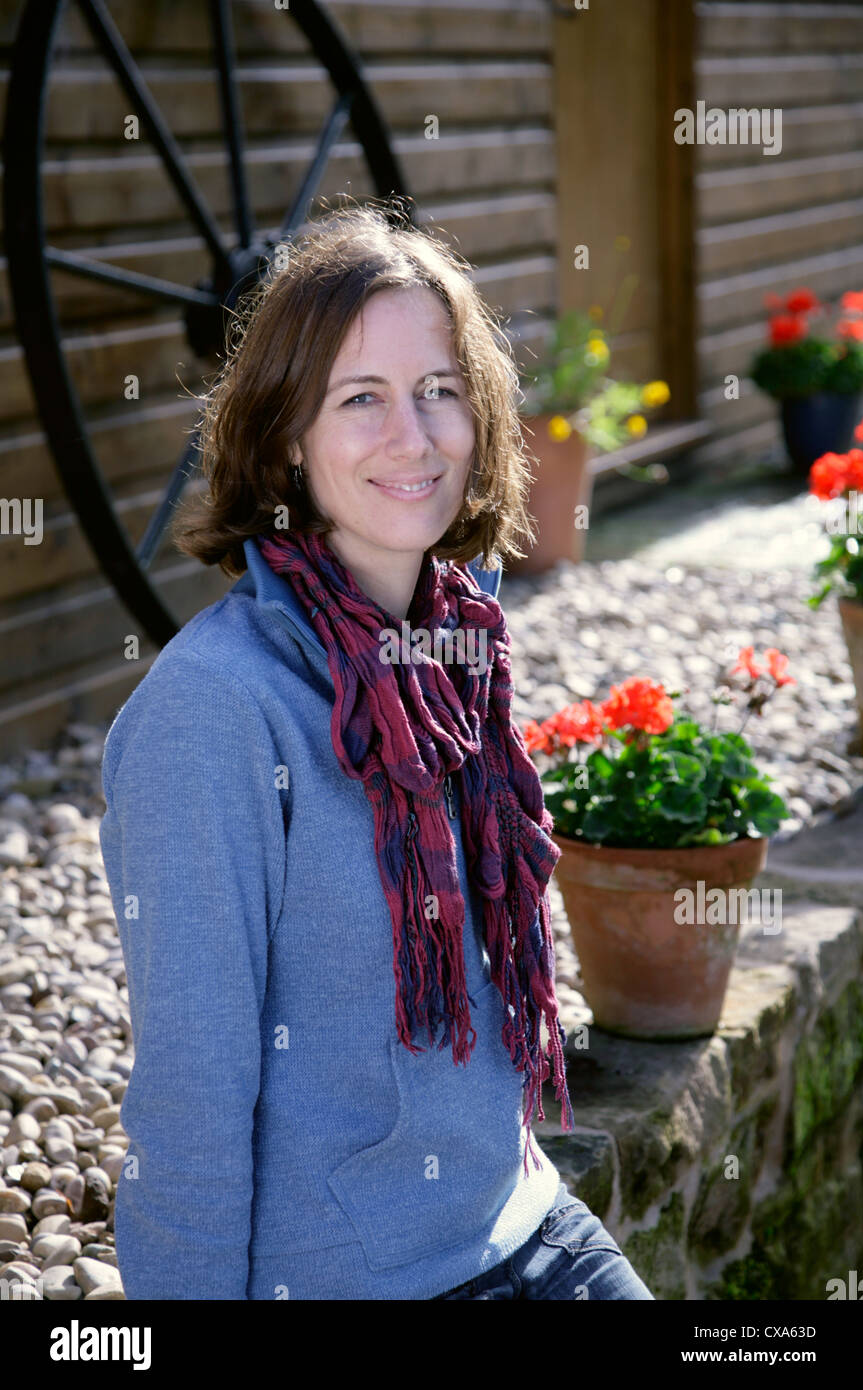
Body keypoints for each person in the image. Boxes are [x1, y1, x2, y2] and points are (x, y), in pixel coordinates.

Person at [98, 199, 654, 1301]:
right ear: (285, 439)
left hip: (522, 1220)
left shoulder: (453, 647)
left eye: (438, 391)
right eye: (360, 399)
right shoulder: (214, 712)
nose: (413, 436)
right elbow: (189, 1088)